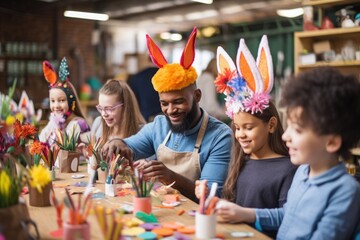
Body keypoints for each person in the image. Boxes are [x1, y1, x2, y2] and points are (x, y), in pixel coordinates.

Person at [225, 67, 360, 239]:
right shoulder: (304, 171)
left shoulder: (344, 191)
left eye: (297, 130)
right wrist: (244, 213)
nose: (286, 136)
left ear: (332, 142)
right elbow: (287, 216)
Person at [102, 27, 233, 202]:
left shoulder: (220, 136)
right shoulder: (159, 126)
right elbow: (129, 146)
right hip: (165, 211)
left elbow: (210, 194)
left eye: (178, 102)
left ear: (197, 96)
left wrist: (170, 176)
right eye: (164, 104)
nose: (170, 110)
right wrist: (117, 143)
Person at [195, 36, 296, 237]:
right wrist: (211, 199)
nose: (240, 134)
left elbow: (290, 217)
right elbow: (235, 209)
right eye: (237, 128)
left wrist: (244, 214)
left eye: (248, 128)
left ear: (271, 125)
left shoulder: (289, 168)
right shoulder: (241, 161)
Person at [39, 57, 90, 149]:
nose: (56, 106)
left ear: (71, 101)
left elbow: (66, 149)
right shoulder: (53, 121)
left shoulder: (78, 123)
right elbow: (41, 140)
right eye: (53, 101)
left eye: (62, 100)